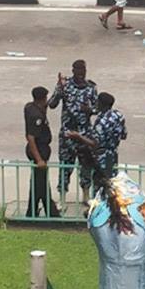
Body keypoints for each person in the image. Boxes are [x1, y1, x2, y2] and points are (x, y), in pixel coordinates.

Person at [47, 60, 98, 205]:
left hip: (84, 134)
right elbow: (51, 104)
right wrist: (59, 89)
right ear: (73, 70)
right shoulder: (65, 85)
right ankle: (62, 198)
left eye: (84, 70)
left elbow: (98, 108)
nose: (82, 74)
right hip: (67, 135)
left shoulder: (91, 88)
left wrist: (90, 110)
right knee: (65, 167)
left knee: (86, 166)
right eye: (79, 70)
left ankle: (86, 196)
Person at [65, 91, 127, 178]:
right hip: (113, 154)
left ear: (101, 104)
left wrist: (78, 136)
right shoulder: (118, 115)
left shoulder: (101, 123)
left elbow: (95, 144)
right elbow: (124, 135)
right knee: (111, 180)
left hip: (102, 157)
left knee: (101, 183)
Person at [25, 86, 60, 218]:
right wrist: (39, 159)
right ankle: (41, 212)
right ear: (42, 99)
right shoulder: (37, 116)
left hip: (39, 149)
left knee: (40, 182)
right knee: (40, 183)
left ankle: (41, 211)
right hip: (39, 150)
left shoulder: (30, 107)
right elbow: (31, 137)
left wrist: (58, 87)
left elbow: (45, 107)